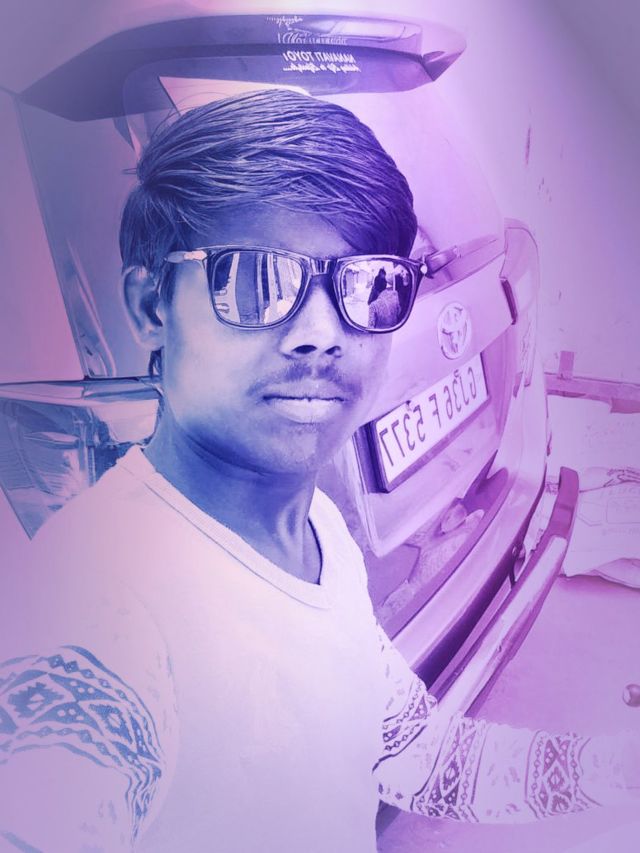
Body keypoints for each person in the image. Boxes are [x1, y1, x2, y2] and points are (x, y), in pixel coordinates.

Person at [0, 89, 637, 853]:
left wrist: (622, 767)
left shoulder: (316, 535)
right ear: (151, 308)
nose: (320, 333)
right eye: (255, 280)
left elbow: (414, 755)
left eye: (366, 285)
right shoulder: (94, 613)